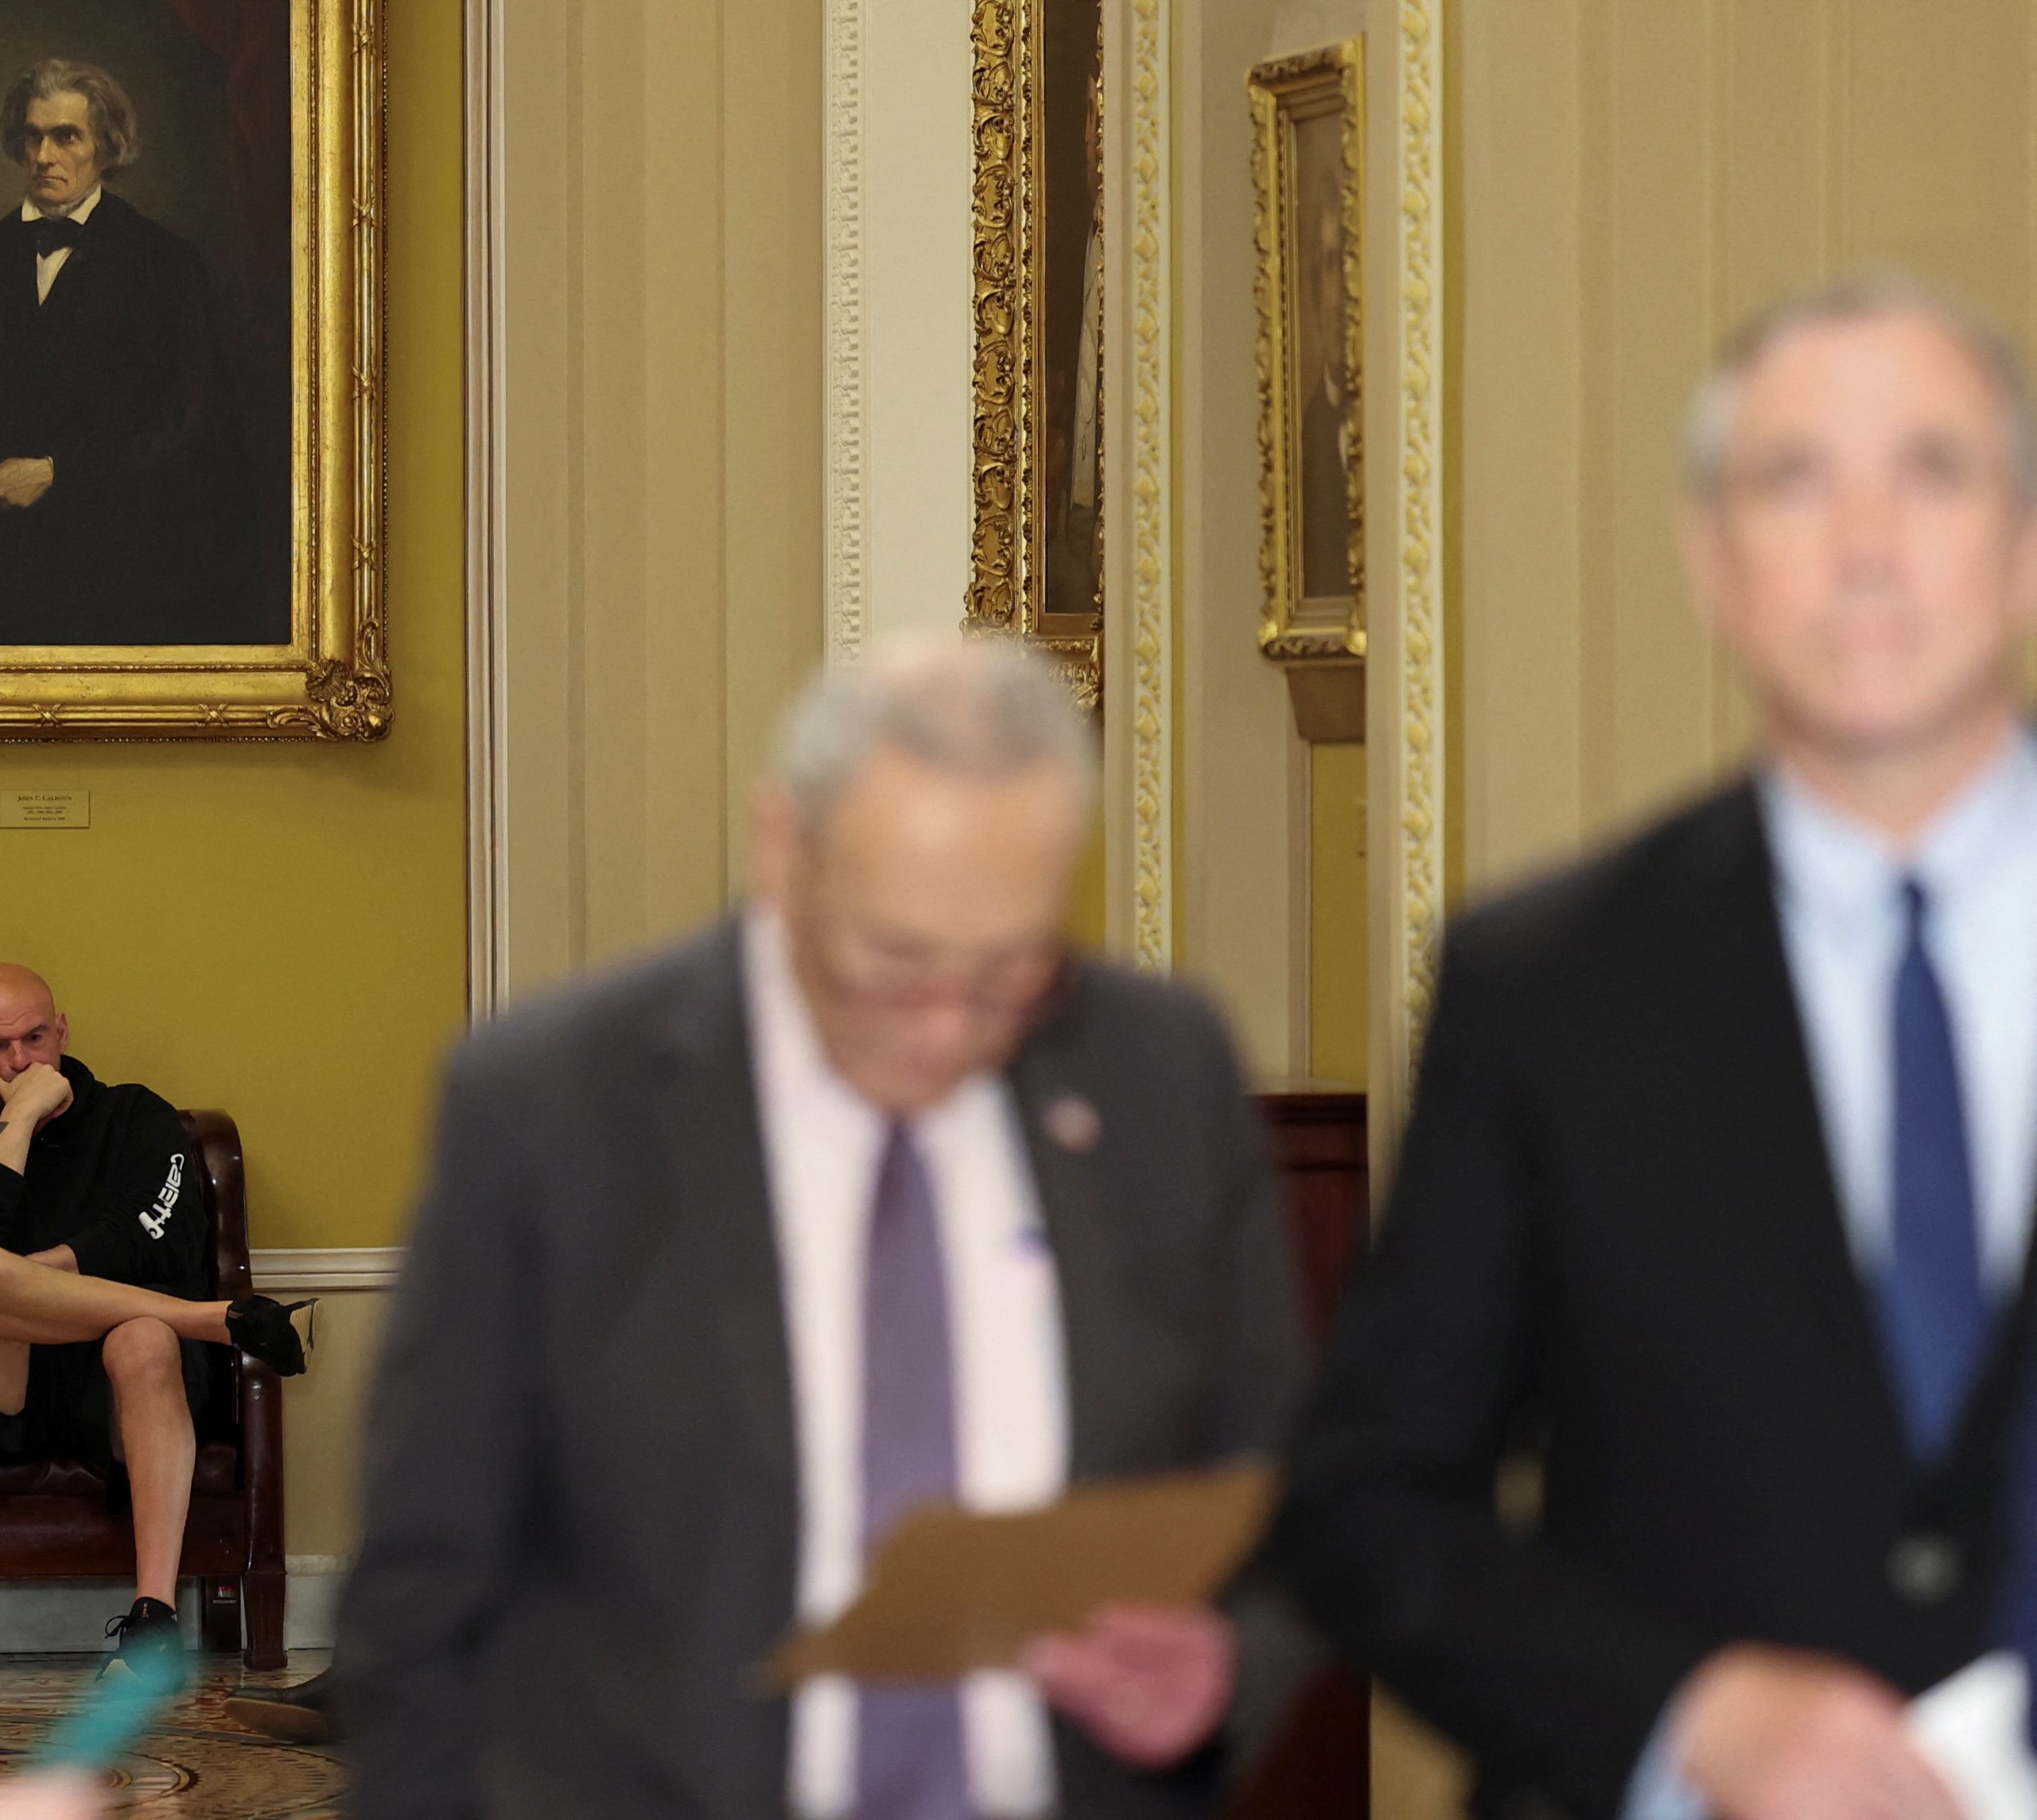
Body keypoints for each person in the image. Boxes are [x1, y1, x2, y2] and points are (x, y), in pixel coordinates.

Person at [1269, 274, 2037, 1820]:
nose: (1866, 543)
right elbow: (1366, 1507)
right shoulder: (1550, 986)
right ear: (1713, 569)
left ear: (2026, 547)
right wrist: (1687, 1713)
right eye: (1794, 480)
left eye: (1933, 472)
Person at [340, 639, 1319, 1819]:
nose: (948, 1029)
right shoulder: (554, 1107)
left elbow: (1289, 1477)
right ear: (784, 853)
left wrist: (1229, 1664)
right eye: (895, 961)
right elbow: (419, 1602)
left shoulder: (1160, 1071)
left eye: (1009, 971)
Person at [0, 963, 309, 1673]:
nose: (19, 1062)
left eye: (35, 1039)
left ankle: (154, 1618)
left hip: (114, 1383)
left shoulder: (135, 1116)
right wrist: (18, 1118)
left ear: (64, 1030)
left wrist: (21, 1277)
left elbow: (163, 1233)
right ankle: (216, 1319)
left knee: (141, 1334)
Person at [0, 58, 264, 648]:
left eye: (66, 136)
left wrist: (59, 473)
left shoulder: (166, 265)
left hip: (115, 576)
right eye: (33, 136)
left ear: (106, 145)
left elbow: (194, 432)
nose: (45, 155)